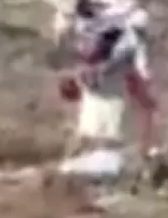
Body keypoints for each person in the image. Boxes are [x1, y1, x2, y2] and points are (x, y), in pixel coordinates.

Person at [58, 11, 157, 177]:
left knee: (98, 135)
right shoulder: (124, 44)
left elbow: (136, 70)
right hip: (106, 91)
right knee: (95, 135)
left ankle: (74, 163)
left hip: (108, 91)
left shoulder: (124, 45)